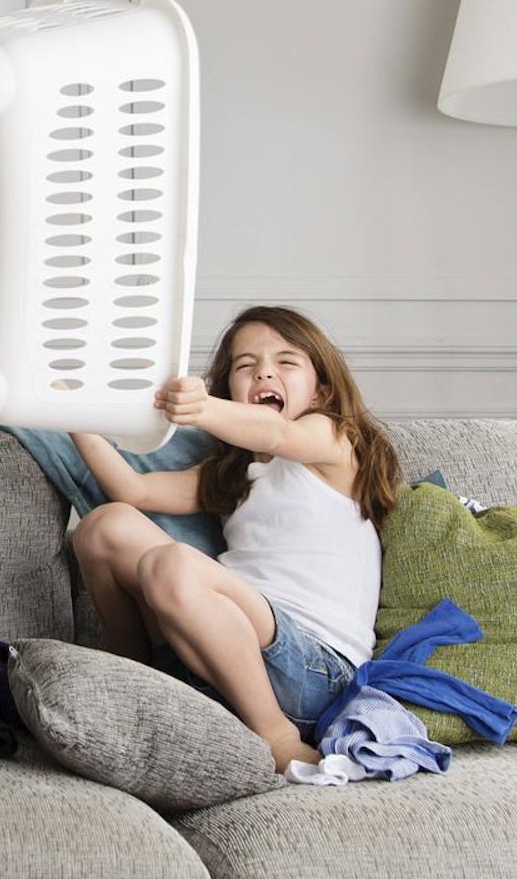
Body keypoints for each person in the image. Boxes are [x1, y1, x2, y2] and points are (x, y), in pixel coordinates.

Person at [68, 306, 399, 771]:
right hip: (224, 649)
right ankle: (135, 677)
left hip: (314, 668)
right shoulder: (235, 476)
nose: (264, 370)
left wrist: (202, 409)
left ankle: (276, 736)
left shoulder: (335, 442)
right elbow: (132, 488)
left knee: (174, 563)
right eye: (246, 365)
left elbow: (278, 431)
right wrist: (69, 412)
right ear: (234, 392)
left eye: (286, 362)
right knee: (105, 525)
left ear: (322, 388)